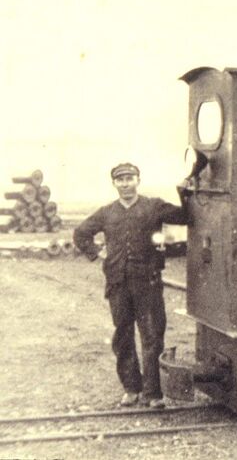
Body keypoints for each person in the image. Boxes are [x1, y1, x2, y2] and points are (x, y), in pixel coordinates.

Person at [73, 163, 189, 408]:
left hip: (148, 283)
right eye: (120, 180)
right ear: (114, 183)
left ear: (138, 180)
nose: (125, 184)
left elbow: (184, 216)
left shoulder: (154, 206)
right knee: (123, 335)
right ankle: (131, 389)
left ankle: (153, 393)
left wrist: (185, 192)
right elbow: (81, 233)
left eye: (130, 178)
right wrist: (97, 252)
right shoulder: (106, 212)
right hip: (118, 284)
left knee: (152, 336)